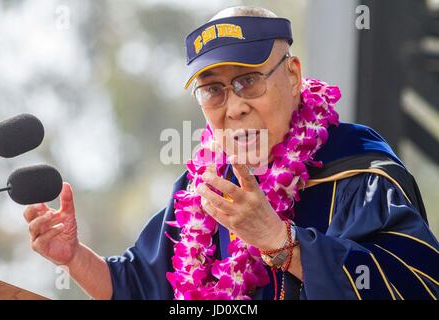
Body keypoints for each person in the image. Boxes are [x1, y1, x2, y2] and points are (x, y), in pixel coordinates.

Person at [23, 6, 438, 300]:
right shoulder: (201, 191)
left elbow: (419, 288)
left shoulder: (357, 170)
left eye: (248, 81)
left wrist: (282, 243)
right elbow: (138, 287)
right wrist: (75, 259)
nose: (234, 105)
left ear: (292, 76)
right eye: (213, 90)